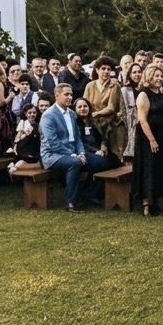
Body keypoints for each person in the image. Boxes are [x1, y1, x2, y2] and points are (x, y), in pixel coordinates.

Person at [40, 83, 106, 213]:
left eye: (71, 94)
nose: (70, 97)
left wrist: (81, 152)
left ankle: (89, 194)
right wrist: (74, 155)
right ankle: (72, 202)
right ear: (57, 95)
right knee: (75, 163)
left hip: (73, 153)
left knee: (101, 161)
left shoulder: (71, 114)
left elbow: (77, 139)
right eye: (66, 94)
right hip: (53, 155)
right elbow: (53, 143)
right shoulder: (48, 116)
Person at [132, 63, 163, 217]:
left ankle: (156, 199)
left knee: (160, 165)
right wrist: (152, 140)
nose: (160, 78)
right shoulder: (143, 94)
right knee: (149, 166)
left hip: (161, 132)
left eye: (161, 76)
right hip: (147, 135)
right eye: (156, 76)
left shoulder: (161, 93)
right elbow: (142, 120)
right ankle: (147, 203)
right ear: (149, 77)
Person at [83, 55, 126, 162]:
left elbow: (111, 108)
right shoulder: (90, 85)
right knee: (96, 154)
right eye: (103, 69)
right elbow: (84, 103)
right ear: (97, 70)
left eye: (108, 69)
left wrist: (95, 114)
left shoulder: (114, 85)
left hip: (111, 125)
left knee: (113, 157)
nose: (106, 71)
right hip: (94, 125)